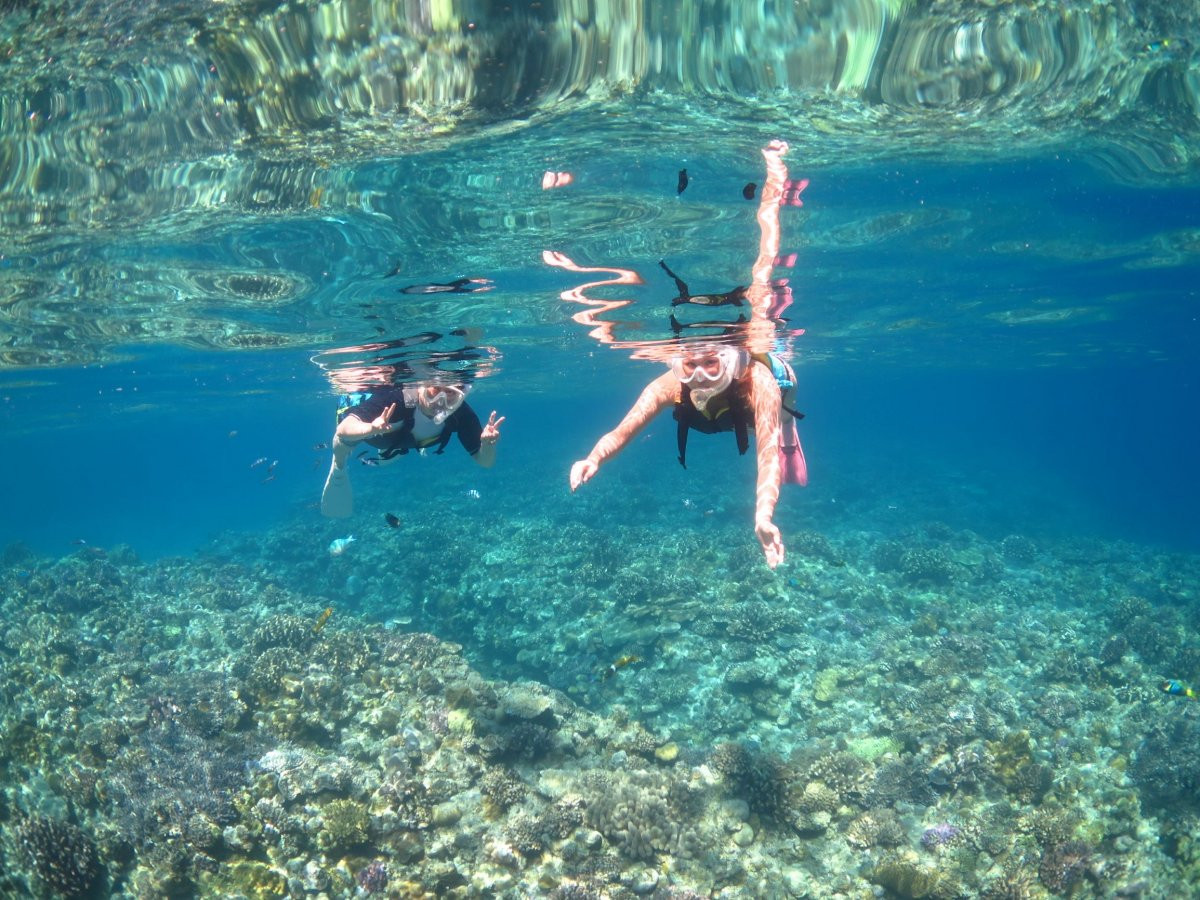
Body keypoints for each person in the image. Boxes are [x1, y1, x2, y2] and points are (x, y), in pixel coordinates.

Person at [569, 341, 804, 569]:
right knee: (734, 418)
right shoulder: (669, 385)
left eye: (710, 362)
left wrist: (763, 517)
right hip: (725, 417)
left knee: (777, 421)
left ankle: (788, 428)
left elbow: (767, 457)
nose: (699, 377)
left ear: (729, 360)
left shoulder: (759, 382)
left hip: (776, 395)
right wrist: (593, 458)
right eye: (691, 365)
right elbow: (622, 431)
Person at [321, 380, 504, 518]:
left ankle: (388, 453)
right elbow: (344, 428)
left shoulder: (461, 414)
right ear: (422, 385)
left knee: (388, 455)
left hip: (403, 440)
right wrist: (369, 429)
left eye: (450, 394)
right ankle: (338, 465)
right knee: (342, 441)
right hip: (375, 436)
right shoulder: (396, 400)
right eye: (434, 391)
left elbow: (485, 461)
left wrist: (487, 445)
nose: (440, 401)